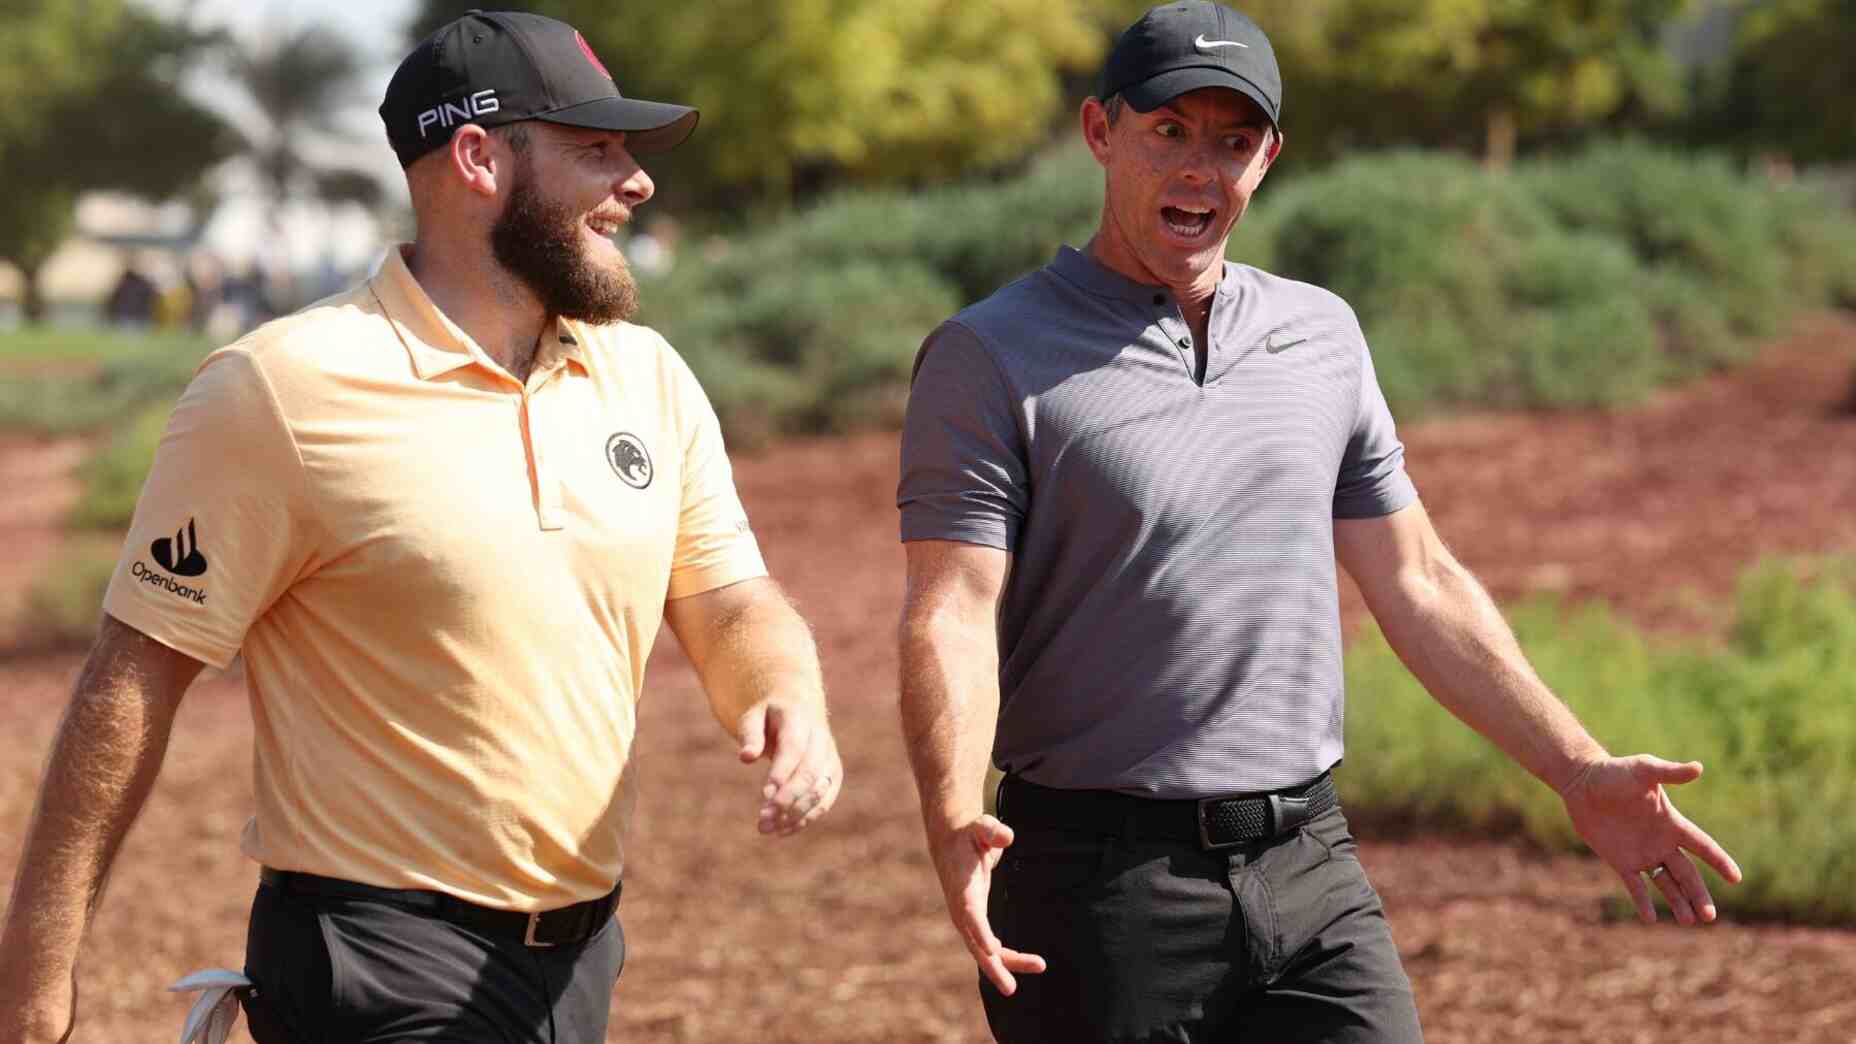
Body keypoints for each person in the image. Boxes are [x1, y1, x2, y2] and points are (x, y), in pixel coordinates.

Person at [895, 4, 1741, 1041]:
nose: (1200, 169)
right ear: (1097, 131)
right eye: (1168, 131)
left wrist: (1573, 766)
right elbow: (952, 607)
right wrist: (947, 813)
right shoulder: (990, 354)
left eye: (1232, 141)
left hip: (1309, 861)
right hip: (1098, 882)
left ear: (1269, 158)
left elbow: (1415, 578)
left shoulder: (1319, 333)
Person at [0, 11, 842, 1044]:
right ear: (478, 157)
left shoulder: (645, 376)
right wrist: (35, 979)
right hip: (374, 956)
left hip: (580, 955)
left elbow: (728, 598)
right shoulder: (281, 390)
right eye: (597, 151)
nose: (638, 183)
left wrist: (783, 691)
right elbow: (132, 679)